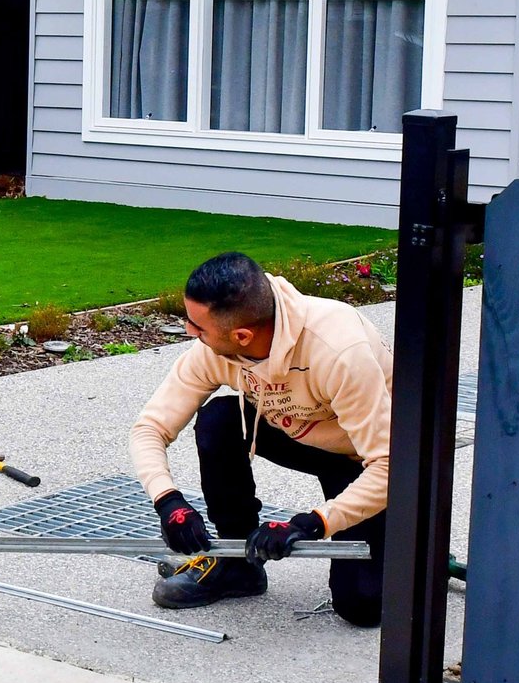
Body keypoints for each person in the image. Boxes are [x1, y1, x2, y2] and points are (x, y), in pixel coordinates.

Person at [130, 251, 393, 626]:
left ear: (242, 335)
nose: (191, 332)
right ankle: (238, 568)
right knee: (219, 419)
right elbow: (150, 427)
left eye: (198, 327)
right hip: (297, 431)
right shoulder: (217, 347)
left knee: (363, 607)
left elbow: (388, 464)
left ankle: (412, 540)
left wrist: (313, 523)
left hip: (362, 459)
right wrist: (167, 501)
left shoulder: (339, 351)